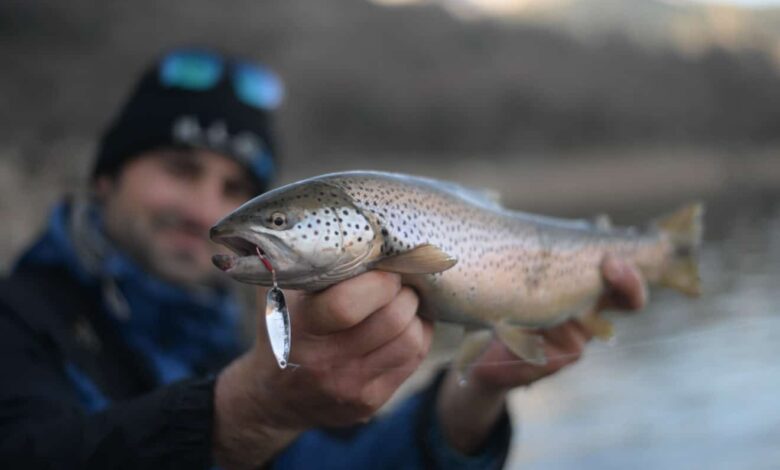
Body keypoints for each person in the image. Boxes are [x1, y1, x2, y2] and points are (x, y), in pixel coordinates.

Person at [0, 48, 646, 469]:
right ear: (105, 178)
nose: (204, 211)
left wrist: (474, 392)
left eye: (235, 189)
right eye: (180, 169)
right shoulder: (18, 321)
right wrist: (250, 410)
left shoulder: (245, 327)